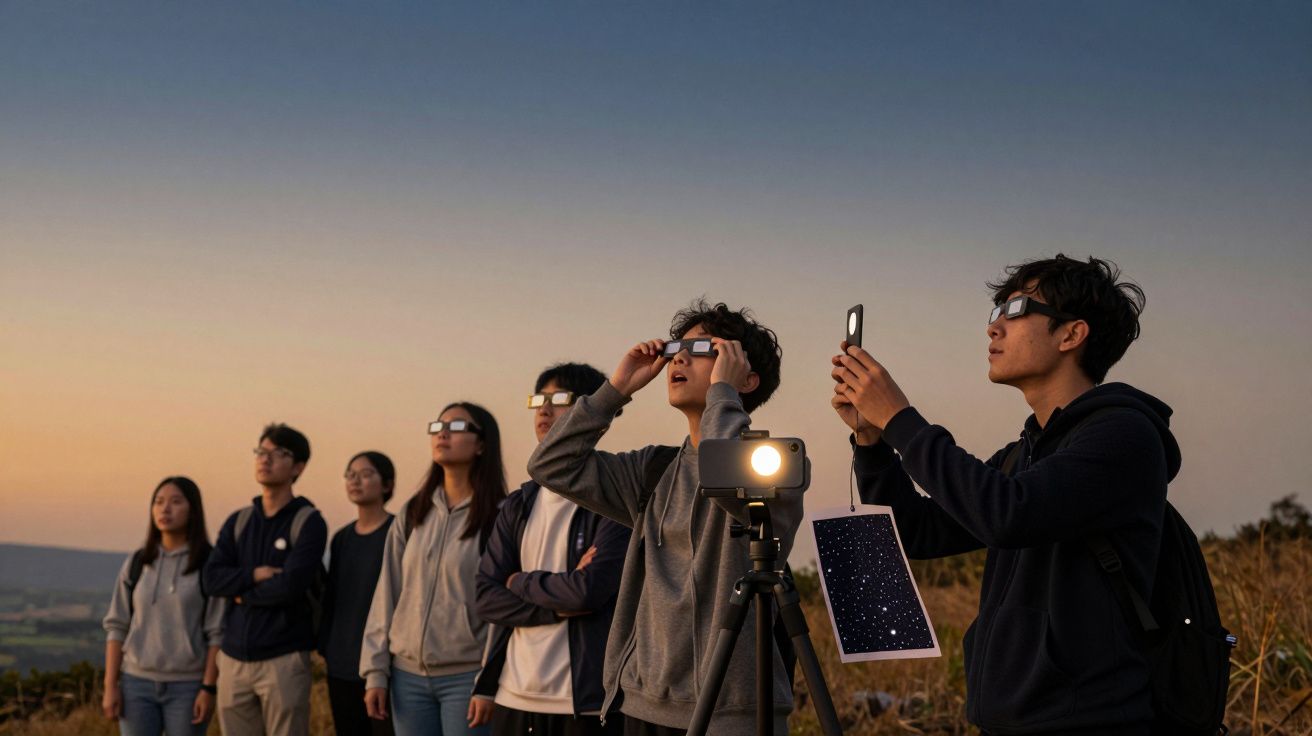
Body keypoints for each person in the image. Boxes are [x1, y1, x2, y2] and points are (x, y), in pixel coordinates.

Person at [831, 255, 1173, 734]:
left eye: (1016, 310)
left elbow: (1008, 515)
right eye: (996, 313)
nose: (994, 328)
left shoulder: (1123, 435)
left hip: (1088, 719)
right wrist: (872, 441)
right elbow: (916, 532)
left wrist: (900, 419)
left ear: (1071, 334)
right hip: (1009, 719)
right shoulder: (1021, 457)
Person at [527, 299, 797, 736]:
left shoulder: (774, 467)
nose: (680, 359)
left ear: (745, 376)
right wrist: (616, 390)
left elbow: (724, 477)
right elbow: (549, 464)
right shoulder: (652, 470)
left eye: (703, 348)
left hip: (732, 714)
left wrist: (723, 394)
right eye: (676, 349)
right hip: (641, 704)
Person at [472, 363, 631, 735]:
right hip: (514, 696)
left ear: (596, 413)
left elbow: (588, 591)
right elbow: (485, 597)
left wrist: (519, 581)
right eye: (539, 400)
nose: (544, 410)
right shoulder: (519, 504)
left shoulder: (616, 500)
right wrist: (559, 604)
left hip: (586, 702)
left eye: (559, 399)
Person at [361, 402, 507, 736]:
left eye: (456, 427)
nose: (443, 433)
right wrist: (375, 672)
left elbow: (503, 609)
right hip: (406, 678)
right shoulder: (413, 512)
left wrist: (488, 682)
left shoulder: (500, 515)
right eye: (438, 426)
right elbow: (387, 593)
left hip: (467, 679)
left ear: (481, 444)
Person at [202, 422, 328, 736]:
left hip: (283, 658)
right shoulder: (239, 521)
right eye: (261, 451)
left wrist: (240, 593)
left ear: (298, 467)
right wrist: (254, 575)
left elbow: (289, 587)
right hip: (233, 659)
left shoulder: (308, 522)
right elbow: (211, 579)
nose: (265, 459)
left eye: (278, 453)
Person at [102, 476, 225, 736]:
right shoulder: (138, 562)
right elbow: (117, 625)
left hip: (188, 687)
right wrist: (110, 685)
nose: (165, 509)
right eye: (158, 502)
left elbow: (218, 632)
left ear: (193, 510)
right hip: (136, 684)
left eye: (175, 502)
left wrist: (208, 688)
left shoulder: (208, 564)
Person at [320, 451, 397, 736]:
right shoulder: (341, 538)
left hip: (384, 664)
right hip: (341, 662)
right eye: (350, 475)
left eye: (365, 474)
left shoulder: (397, 532)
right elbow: (332, 598)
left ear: (387, 484)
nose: (355, 481)